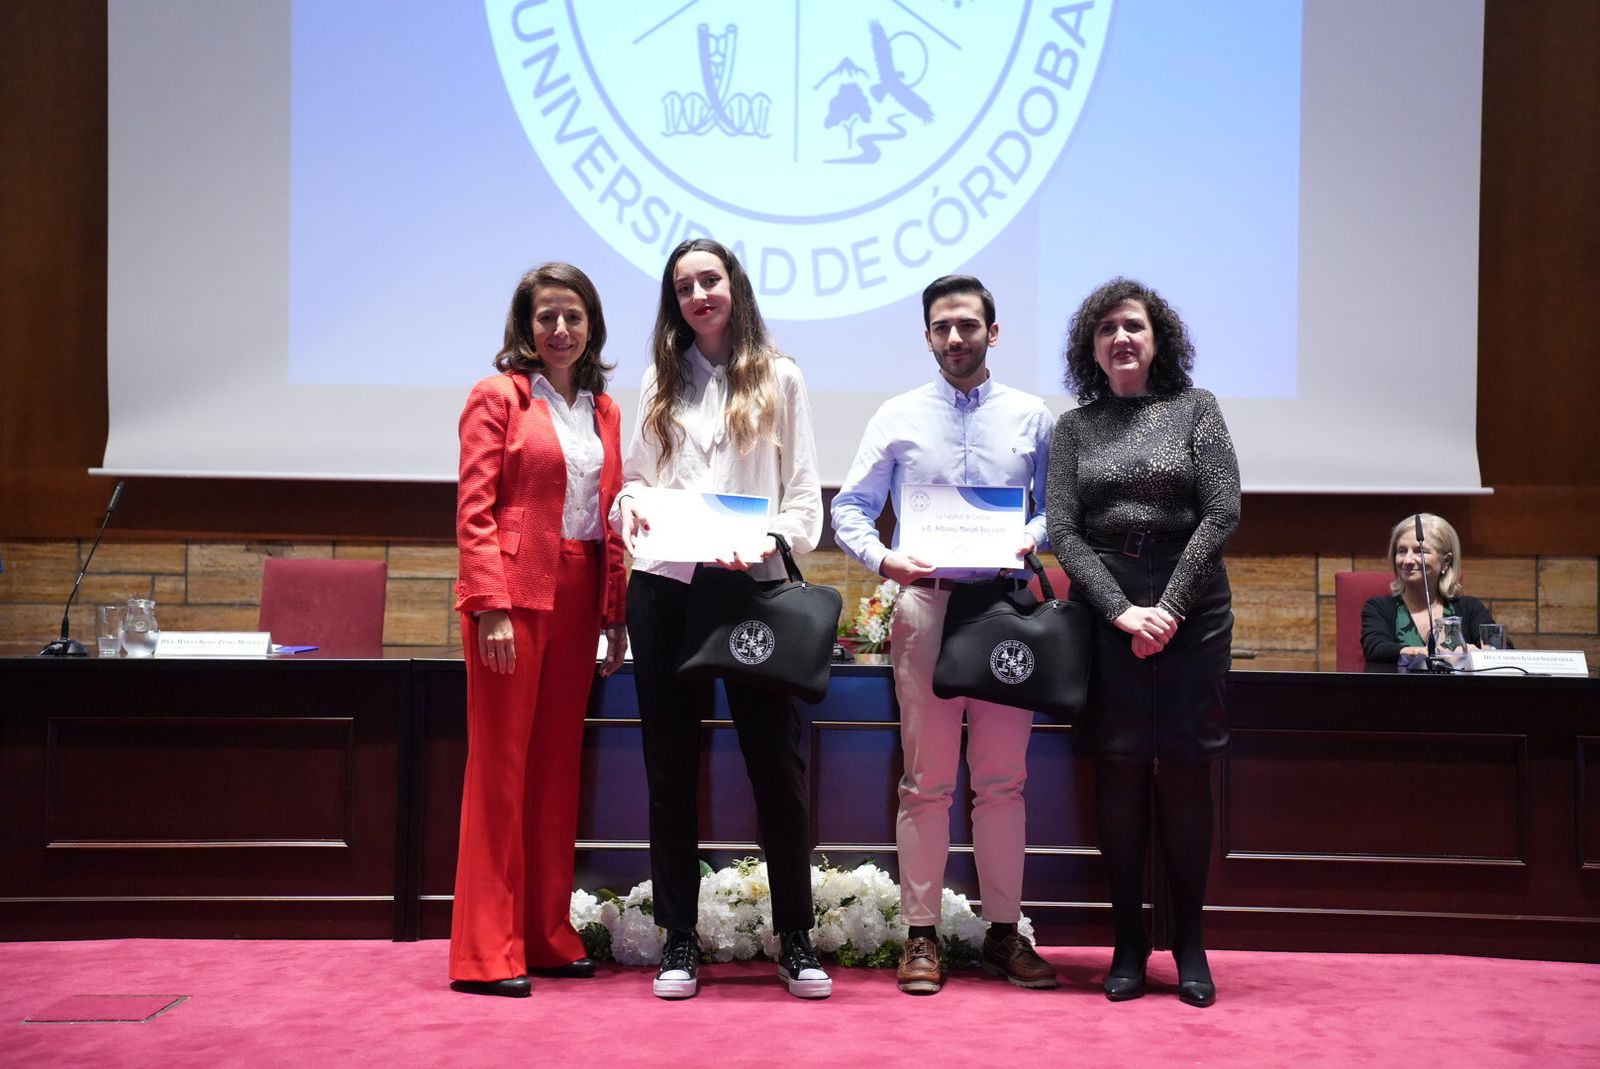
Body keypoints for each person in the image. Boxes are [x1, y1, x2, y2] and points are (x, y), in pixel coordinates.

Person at [612, 238, 829, 1000]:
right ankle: (680, 936)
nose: (699, 293)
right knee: (669, 768)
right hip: (665, 591)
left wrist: (762, 540)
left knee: (777, 767)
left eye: (710, 279)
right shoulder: (655, 382)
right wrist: (631, 510)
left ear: (733, 287)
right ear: (674, 301)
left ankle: (795, 937)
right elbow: (632, 484)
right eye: (684, 285)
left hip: (750, 591)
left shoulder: (782, 377)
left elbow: (805, 504)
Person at [832, 275, 1058, 995]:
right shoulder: (897, 415)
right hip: (924, 608)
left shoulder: (1032, 416)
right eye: (941, 327)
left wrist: (1027, 535)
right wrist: (885, 558)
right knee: (925, 782)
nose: (954, 337)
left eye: (967, 325)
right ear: (927, 336)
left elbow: (1059, 510)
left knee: (1002, 782)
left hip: (1003, 613)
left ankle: (1002, 933)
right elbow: (851, 512)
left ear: (994, 332)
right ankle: (920, 937)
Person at [1045, 278, 1241, 1008]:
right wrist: (1125, 609)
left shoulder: (1197, 408)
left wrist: (1169, 605)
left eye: (1132, 325)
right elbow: (1063, 529)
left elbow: (1222, 509)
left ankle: (1189, 942)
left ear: (1158, 338)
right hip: (1108, 602)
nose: (1120, 338)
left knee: (1186, 770)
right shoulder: (1074, 427)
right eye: (1106, 329)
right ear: (1089, 348)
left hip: (1193, 602)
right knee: (1121, 771)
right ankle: (1129, 944)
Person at [448, 263, 629, 998]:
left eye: (573, 317)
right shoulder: (498, 396)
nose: (559, 329)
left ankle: (546, 933)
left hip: (583, 590)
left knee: (557, 771)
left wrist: (615, 616)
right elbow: (474, 509)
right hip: (513, 598)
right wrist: (489, 602)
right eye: (546, 316)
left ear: (592, 327)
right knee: (501, 770)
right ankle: (486, 950)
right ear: (525, 326)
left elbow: (612, 515)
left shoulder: (606, 410)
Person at [1361, 513, 1500, 663]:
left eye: (1420, 551)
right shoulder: (1378, 607)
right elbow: (1375, 648)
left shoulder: (1470, 608)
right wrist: (1424, 653)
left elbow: (1500, 647)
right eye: (1401, 551)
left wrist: (1481, 653)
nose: (1407, 560)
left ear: (1446, 562)